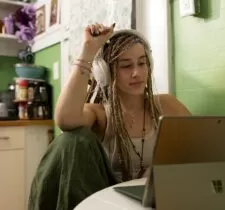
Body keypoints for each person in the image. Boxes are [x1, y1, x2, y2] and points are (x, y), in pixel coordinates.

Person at [28, 23, 191, 210]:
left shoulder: (167, 105)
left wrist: (160, 166)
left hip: (155, 199)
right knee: (71, 140)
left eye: (142, 63)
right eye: (126, 66)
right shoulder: (99, 113)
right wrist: (88, 51)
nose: (136, 73)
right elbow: (65, 119)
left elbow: (200, 145)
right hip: (106, 201)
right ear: (105, 73)